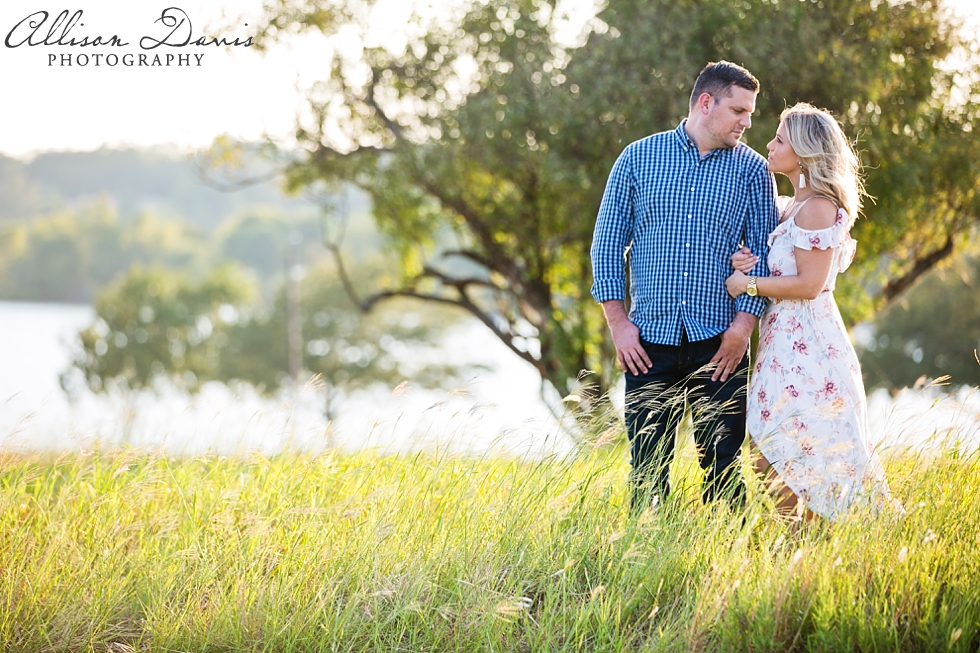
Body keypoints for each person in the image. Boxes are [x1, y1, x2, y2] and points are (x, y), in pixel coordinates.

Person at [590, 61, 779, 512]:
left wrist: (742, 329)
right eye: (738, 110)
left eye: (750, 113)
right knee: (648, 466)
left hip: (721, 342)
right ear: (705, 102)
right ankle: (647, 563)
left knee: (723, 463)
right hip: (647, 341)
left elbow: (768, 256)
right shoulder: (638, 158)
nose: (747, 122)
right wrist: (618, 323)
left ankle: (724, 564)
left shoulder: (753, 171)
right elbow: (606, 245)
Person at [725, 103, 903, 521]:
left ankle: (809, 546)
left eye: (779, 139)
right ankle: (804, 549)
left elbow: (809, 284)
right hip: (781, 345)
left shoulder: (819, 206)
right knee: (770, 448)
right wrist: (750, 264)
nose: (769, 145)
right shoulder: (789, 205)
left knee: (783, 451)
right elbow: (787, 265)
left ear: (804, 152)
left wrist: (747, 285)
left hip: (810, 349)